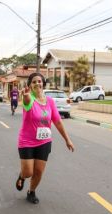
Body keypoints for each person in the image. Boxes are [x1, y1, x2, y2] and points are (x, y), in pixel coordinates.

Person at [15, 72, 74, 204]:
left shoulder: (50, 102)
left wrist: (67, 140)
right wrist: (25, 96)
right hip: (27, 141)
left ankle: (31, 191)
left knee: (39, 171)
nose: (37, 83)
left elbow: (58, 122)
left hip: (44, 142)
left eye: (39, 81)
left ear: (43, 83)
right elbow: (27, 102)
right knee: (28, 172)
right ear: (30, 85)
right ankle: (22, 176)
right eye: (34, 82)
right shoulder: (29, 98)